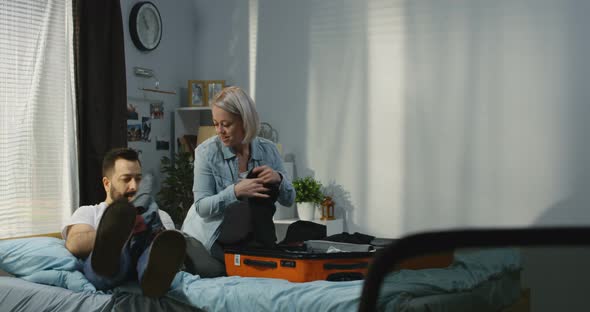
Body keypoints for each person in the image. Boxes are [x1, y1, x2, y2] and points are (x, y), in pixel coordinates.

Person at [181, 86, 295, 277]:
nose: (219, 131)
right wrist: (235, 192)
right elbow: (202, 207)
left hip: (253, 238)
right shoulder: (206, 152)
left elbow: (289, 199)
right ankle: (182, 250)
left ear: (244, 121)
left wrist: (279, 178)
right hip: (213, 238)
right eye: (216, 123)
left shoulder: (268, 150)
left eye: (226, 124)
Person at [62, 148, 186, 297]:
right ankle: (113, 246)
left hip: (145, 258)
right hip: (110, 267)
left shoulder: (160, 214)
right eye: (126, 179)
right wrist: (120, 231)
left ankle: (153, 279)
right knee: (112, 258)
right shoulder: (89, 212)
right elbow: (74, 244)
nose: (134, 186)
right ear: (107, 184)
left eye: (138, 178)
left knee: (151, 227)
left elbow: (171, 251)